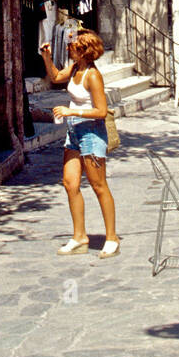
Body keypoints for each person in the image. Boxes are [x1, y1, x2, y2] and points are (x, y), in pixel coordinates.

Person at [40, 30, 120, 259]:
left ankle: (112, 238)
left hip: (92, 133)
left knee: (98, 185)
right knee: (70, 183)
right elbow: (55, 77)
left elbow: (102, 111)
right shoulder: (76, 68)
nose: (68, 47)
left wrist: (71, 110)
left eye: (72, 45)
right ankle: (79, 236)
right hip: (74, 131)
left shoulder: (92, 75)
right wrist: (46, 57)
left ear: (83, 50)